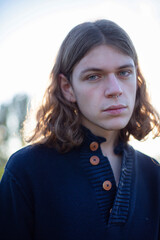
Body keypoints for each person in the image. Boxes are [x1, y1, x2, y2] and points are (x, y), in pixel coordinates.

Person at [0, 19, 160, 240]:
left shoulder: (154, 175)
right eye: (93, 76)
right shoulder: (27, 170)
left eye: (124, 72)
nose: (115, 90)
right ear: (68, 88)